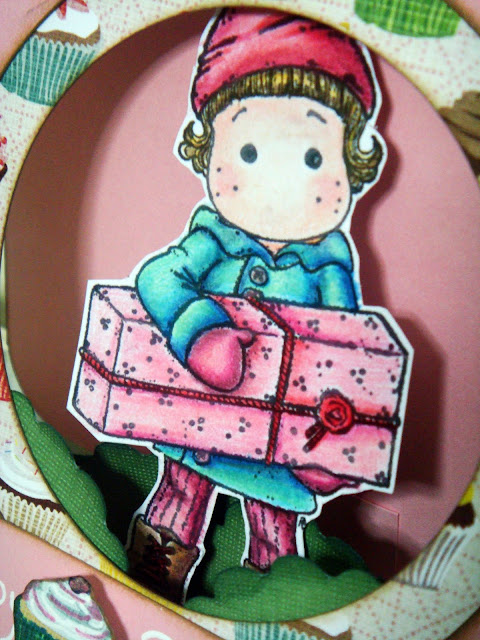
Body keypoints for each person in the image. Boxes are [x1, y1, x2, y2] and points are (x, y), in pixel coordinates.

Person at [127, 7, 385, 603]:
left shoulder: (328, 270)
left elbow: (349, 352)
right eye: (247, 151)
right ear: (208, 147)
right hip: (199, 417)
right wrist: (200, 331)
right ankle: (147, 590)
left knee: (277, 531)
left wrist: (333, 436)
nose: (278, 183)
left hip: (283, 438)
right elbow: (160, 277)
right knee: (176, 502)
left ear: (350, 164)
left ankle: (268, 605)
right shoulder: (212, 238)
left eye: (313, 158)